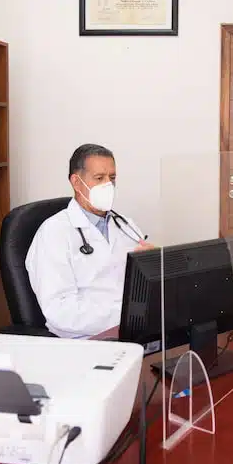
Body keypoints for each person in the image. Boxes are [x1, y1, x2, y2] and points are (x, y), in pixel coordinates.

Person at [26, 143, 151, 338]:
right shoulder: (53, 233)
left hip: (133, 329)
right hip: (86, 340)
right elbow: (60, 311)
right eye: (99, 178)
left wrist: (155, 265)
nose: (108, 185)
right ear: (76, 182)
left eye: (112, 178)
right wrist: (126, 313)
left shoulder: (126, 226)